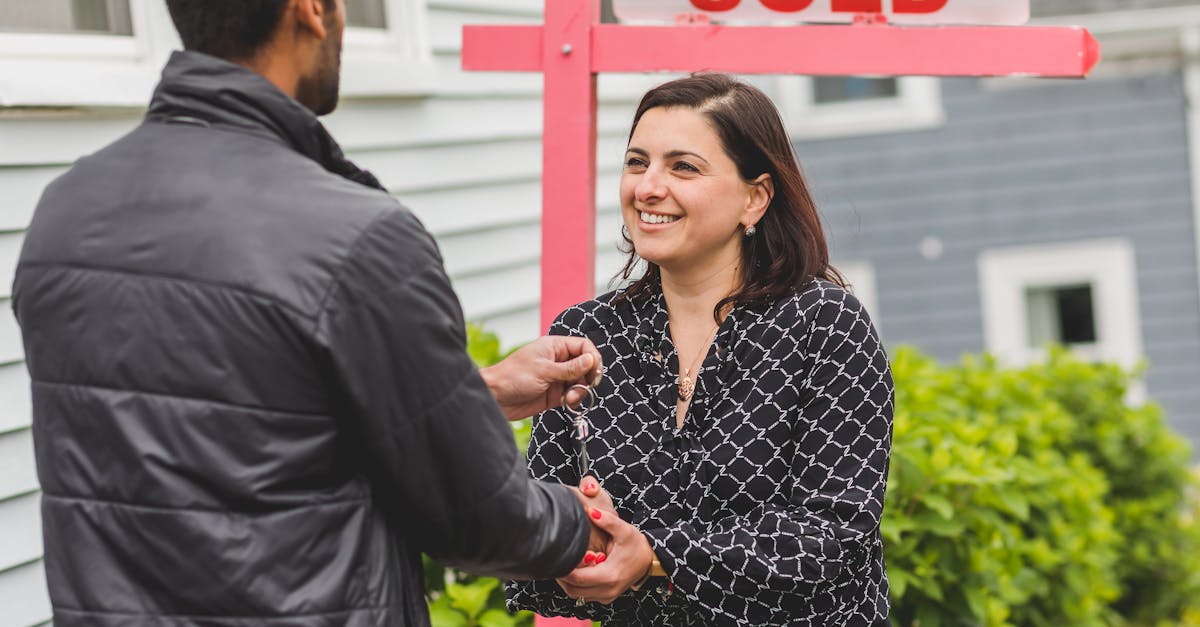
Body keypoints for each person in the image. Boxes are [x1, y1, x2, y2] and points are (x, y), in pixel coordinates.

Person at [11, 1, 614, 625]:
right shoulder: (354, 236)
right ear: (310, 10)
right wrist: (587, 525)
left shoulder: (65, 212)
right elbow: (477, 518)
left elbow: (217, 425)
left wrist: (475, 394)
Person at [506, 73, 895, 625]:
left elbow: (832, 536)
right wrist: (577, 536)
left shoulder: (824, 325)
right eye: (637, 162)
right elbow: (537, 526)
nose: (647, 187)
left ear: (754, 198)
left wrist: (657, 554)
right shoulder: (586, 335)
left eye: (682, 166)